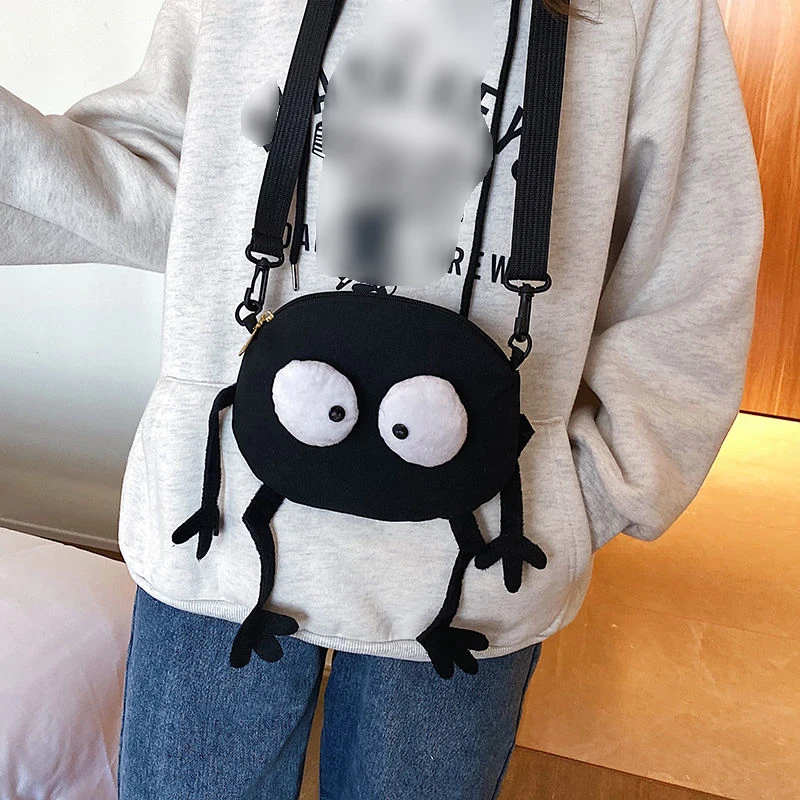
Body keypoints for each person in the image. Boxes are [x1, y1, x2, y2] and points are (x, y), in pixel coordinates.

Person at [0, 0, 764, 797]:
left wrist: (587, 494)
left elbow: (692, 261)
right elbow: (177, 171)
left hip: (470, 569)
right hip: (218, 531)